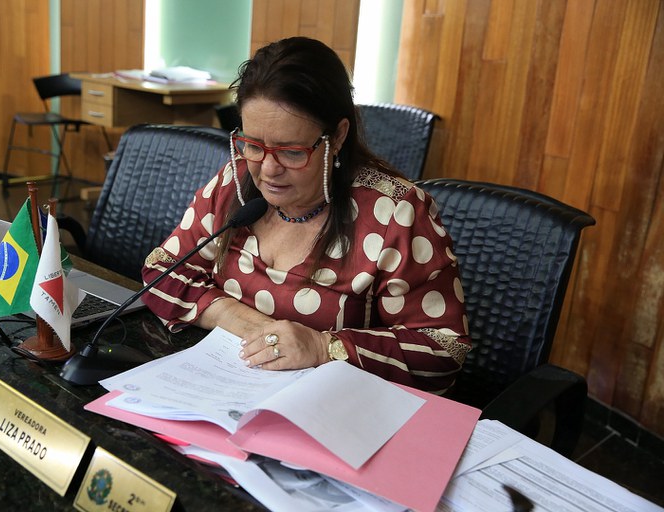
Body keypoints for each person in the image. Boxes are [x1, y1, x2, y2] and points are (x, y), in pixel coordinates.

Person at [141, 37, 470, 394]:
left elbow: (443, 350)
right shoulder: (234, 182)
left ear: (338, 136)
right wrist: (244, 323)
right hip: (228, 387)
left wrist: (322, 347)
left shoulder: (395, 214)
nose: (268, 169)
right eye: (253, 144)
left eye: (292, 152)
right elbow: (161, 271)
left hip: (335, 406)